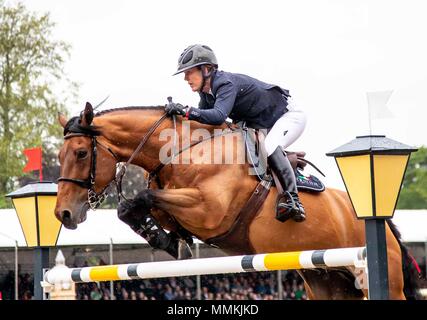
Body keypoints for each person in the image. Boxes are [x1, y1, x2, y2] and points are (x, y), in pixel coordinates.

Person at [166, 44, 307, 222]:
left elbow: (217, 116)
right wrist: (176, 117)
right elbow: (202, 123)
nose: (186, 78)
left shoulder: (225, 83)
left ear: (207, 69)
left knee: (270, 146)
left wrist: (185, 110)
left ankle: (293, 200)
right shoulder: (207, 93)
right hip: (262, 122)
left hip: (289, 116)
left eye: (189, 72)